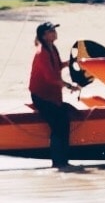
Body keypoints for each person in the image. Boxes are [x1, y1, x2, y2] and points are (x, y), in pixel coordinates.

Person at [29, 22, 78, 171]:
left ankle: (63, 161)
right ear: (44, 35)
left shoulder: (52, 48)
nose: (54, 32)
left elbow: (56, 67)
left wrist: (70, 63)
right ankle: (58, 163)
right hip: (41, 96)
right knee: (58, 126)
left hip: (53, 95)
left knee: (64, 123)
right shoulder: (42, 52)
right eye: (51, 31)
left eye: (54, 30)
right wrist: (70, 86)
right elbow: (51, 78)